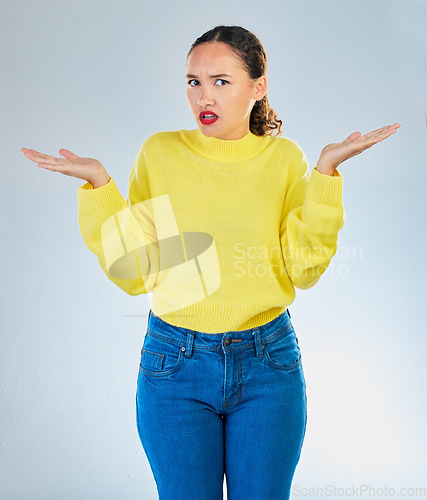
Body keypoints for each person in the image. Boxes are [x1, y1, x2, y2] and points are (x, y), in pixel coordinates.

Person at [20, 24, 401, 500]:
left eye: (221, 81)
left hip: (269, 364)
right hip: (174, 365)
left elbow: (303, 268)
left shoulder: (284, 159)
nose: (204, 95)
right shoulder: (160, 153)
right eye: (193, 81)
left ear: (258, 87)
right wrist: (100, 186)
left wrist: (324, 173)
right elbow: (136, 273)